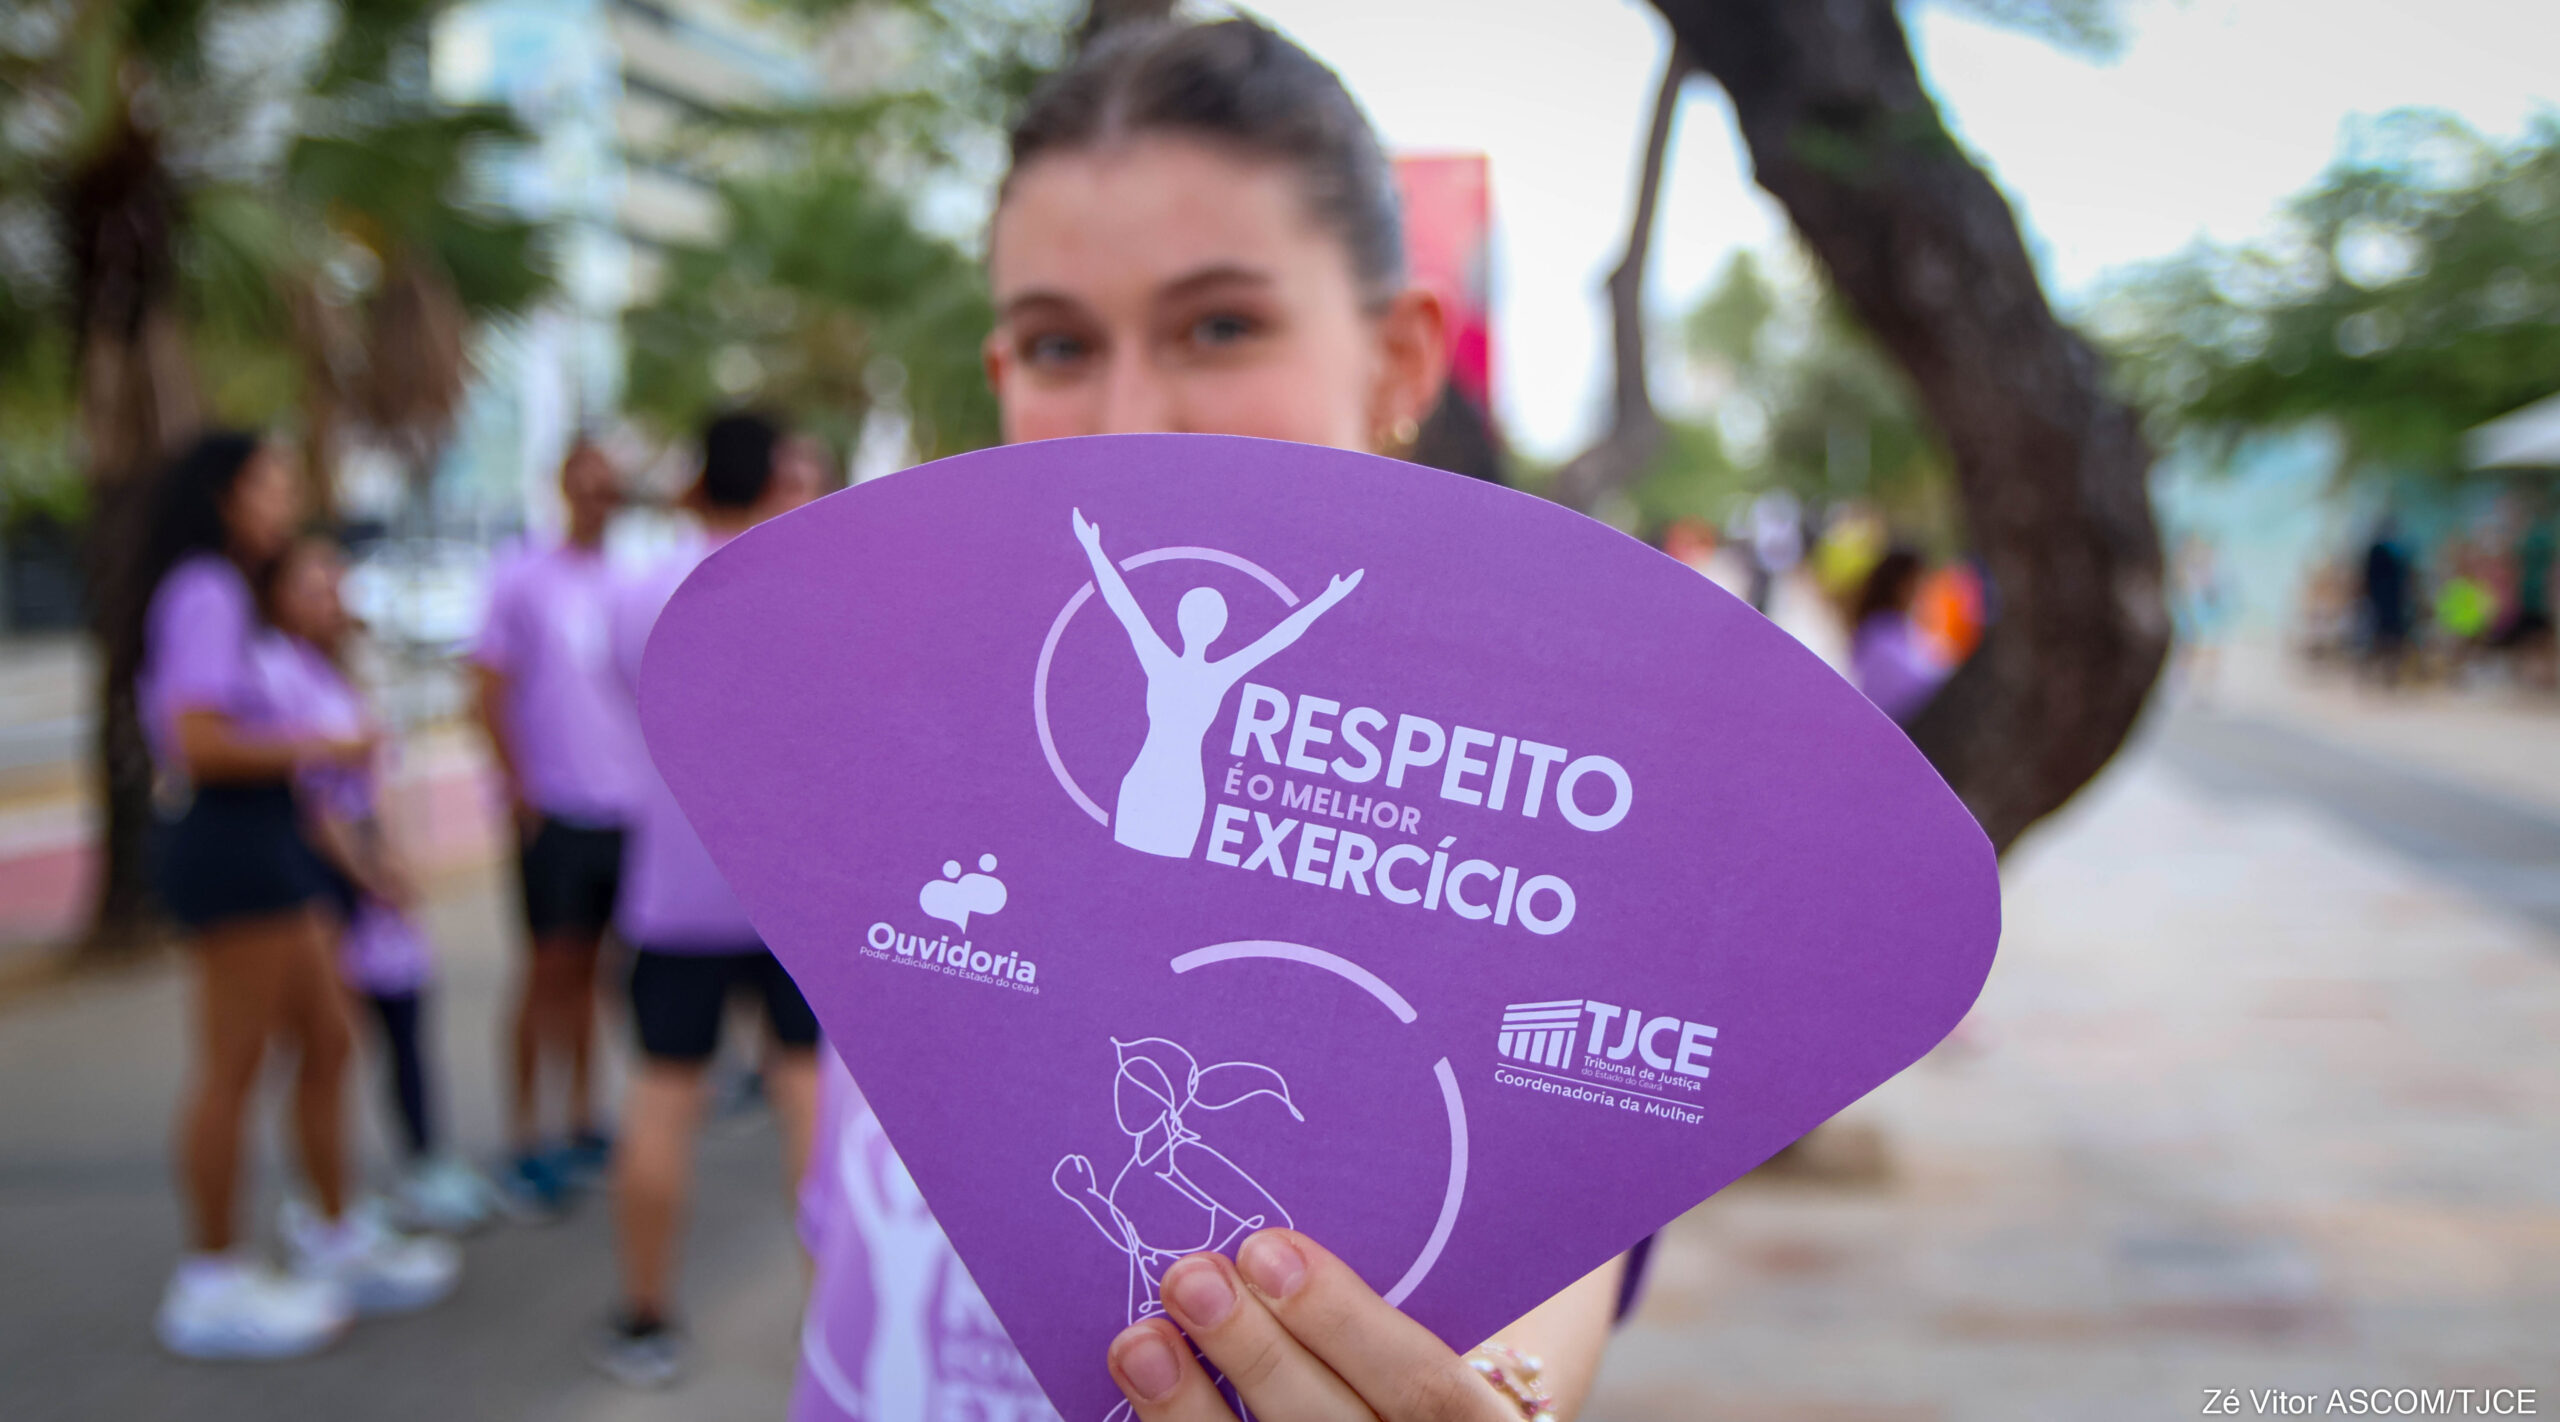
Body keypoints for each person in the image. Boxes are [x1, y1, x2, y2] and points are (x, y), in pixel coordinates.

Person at [792, 19, 1633, 1422]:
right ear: (1004, 383)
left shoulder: (1510, 868)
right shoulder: (922, 784)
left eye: (1221, 324)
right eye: (1061, 342)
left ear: (1401, 362)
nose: (1132, 416)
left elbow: (1530, 1331)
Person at [139, 434, 456, 1360]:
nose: (284, 497)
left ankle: (333, 1229)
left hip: (268, 839)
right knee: (233, 1067)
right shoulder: (203, 588)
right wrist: (322, 745)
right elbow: (193, 739)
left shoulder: (227, 595)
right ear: (224, 496)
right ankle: (211, 1278)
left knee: (327, 1037)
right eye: (268, 482)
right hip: (234, 846)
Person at [593, 411, 824, 1387]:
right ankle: (834, 1320)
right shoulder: (817, 591)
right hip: (795, 895)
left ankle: (645, 1319)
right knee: (808, 1100)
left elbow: (625, 696)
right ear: (777, 475)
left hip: (675, 893)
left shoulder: (642, 589)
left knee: (661, 1096)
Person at [264, 535, 493, 1233]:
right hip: (334, 885)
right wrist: (369, 871)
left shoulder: (334, 673)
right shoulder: (278, 674)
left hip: (369, 880)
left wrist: (392, 859)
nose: (329, 598)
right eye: (312, 585)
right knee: (327, 1047)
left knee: (399, 1027)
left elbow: (370, 780)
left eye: (334, 583)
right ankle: (329, 1200)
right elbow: (315, 798)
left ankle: (418, 1165)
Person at [472, 438, 645, 1215]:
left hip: (623, 811)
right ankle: (524, 1138)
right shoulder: (522, 577)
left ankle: (581, 1119)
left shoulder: (630, 581)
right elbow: (486, 685)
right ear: (562, 490)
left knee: (597, 974)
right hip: (555, 812)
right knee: (546, 973)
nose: (597, 500)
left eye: (610, 489)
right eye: (586, 486)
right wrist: (518, 789)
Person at [1848, 546, 1951, 724]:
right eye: (1918, 581)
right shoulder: (1879, 631)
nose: (1924, 590)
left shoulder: (1905, 629)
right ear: (1899, 584)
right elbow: (1917, 687)